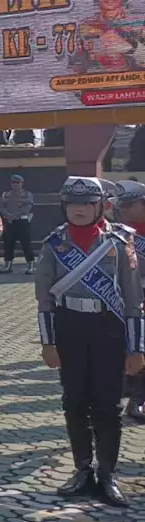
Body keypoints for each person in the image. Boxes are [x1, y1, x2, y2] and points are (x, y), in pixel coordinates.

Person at [34, 176, 143, 507]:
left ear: (101, 206)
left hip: (109, 330)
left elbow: (133, 298)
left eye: (87, 203)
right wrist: (48, 343)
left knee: (107, 405)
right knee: (75, 401)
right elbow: (44, 301)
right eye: (73, 203)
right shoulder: (53, 244)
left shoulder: (119, 242)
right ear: (64, 206)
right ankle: (83, 469)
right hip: (70, 329)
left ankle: (107, 474)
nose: (79, 209)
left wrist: (136, 348)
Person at [111, 181, 145, 423]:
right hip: (124, 300)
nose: (121, 209)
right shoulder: (117, 232)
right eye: (119, 205)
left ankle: (137, 401)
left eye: (127, 205)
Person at [0, 174, 36, 274]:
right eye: (13, 182)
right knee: (8, 244)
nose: (15, 184)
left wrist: (15, 215)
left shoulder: (27, 194)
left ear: (22, 183)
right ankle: (8, 266)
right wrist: (7, 215)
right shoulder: (5, 194)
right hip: (9, 222)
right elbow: (1, 206)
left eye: (17, 182)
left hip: (22, 221)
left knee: (26, 244)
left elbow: (27, 207)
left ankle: (30, 266)